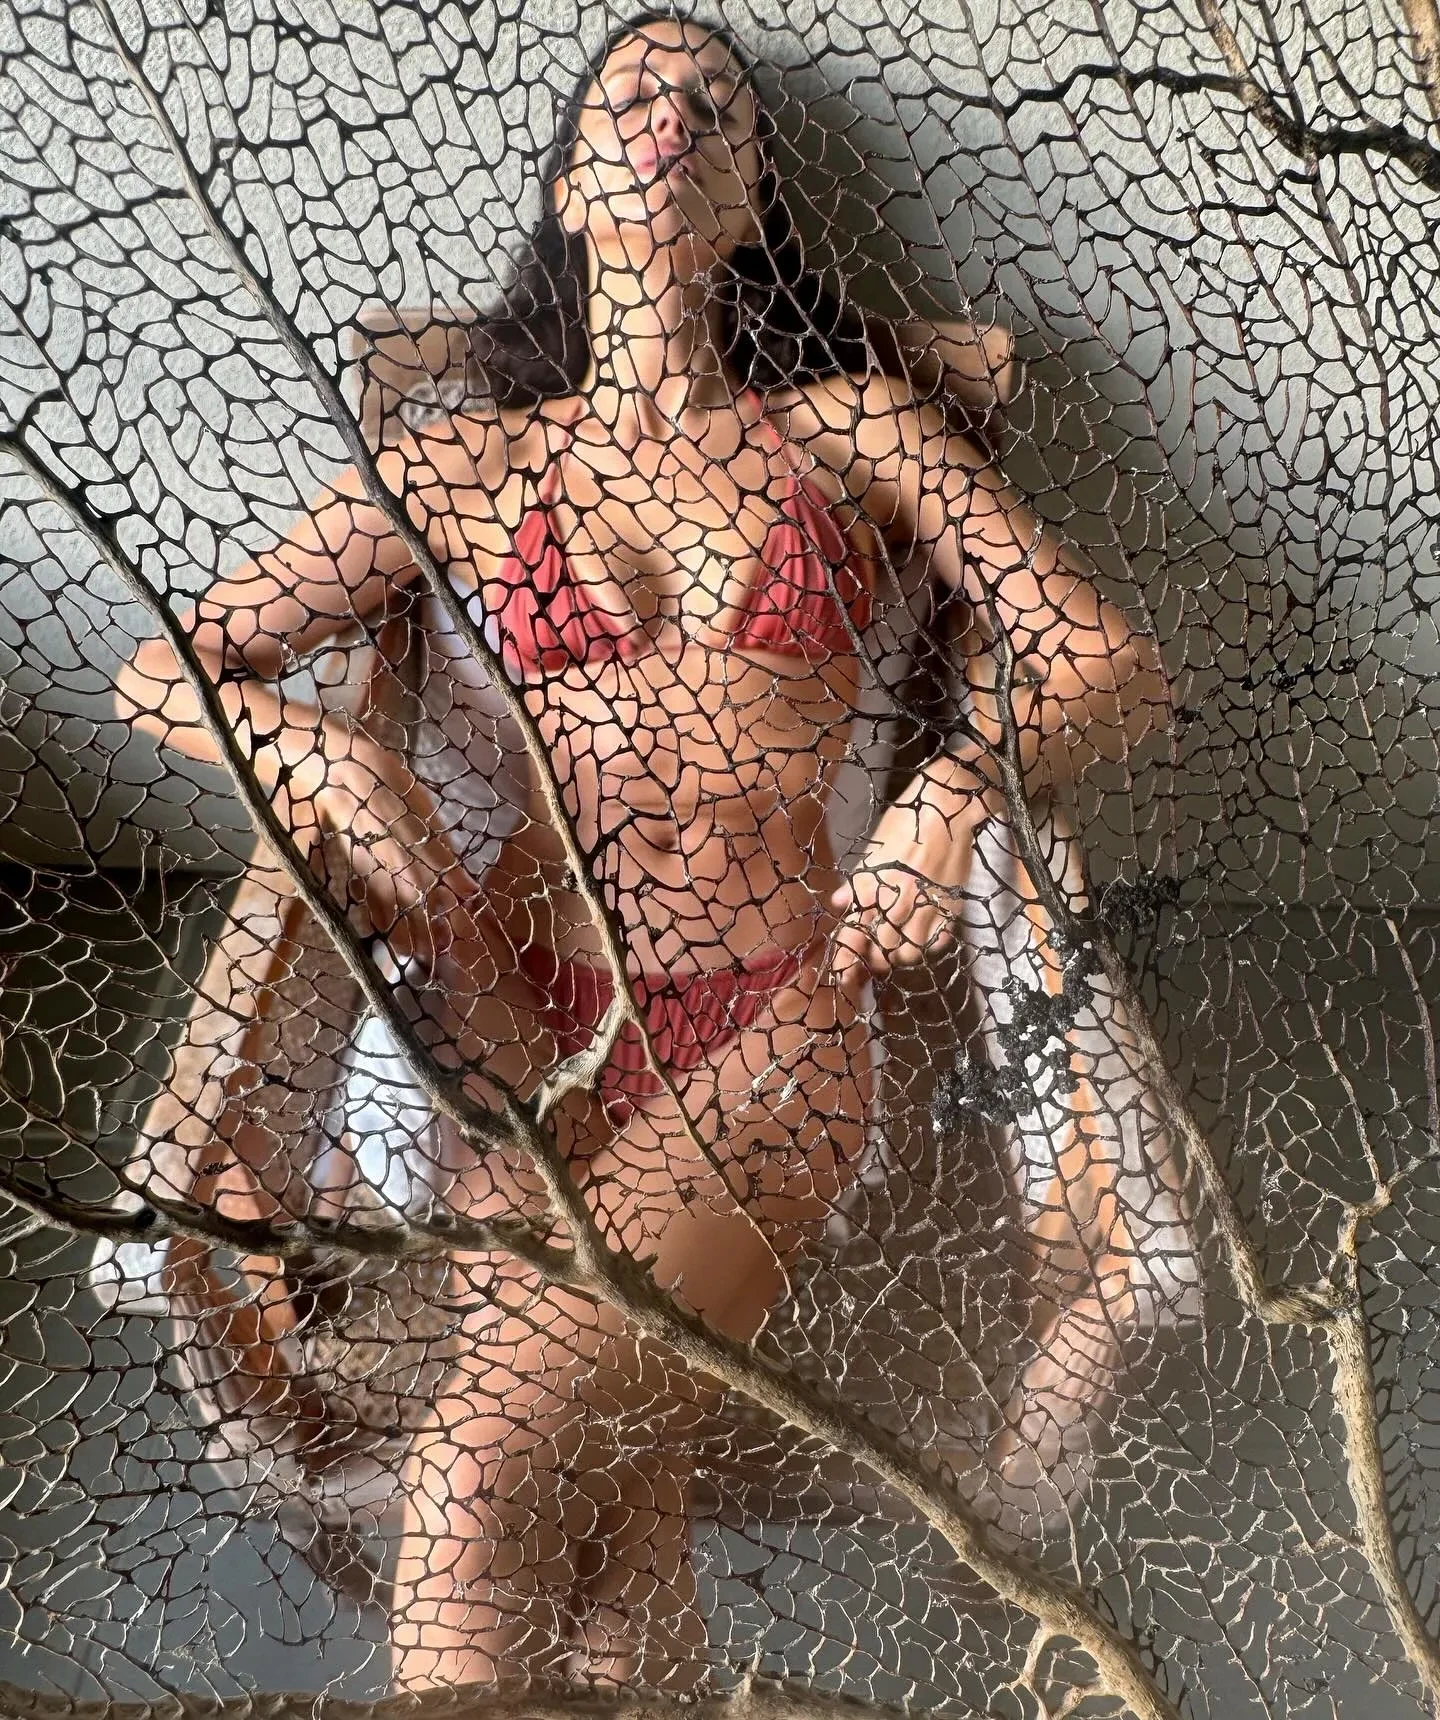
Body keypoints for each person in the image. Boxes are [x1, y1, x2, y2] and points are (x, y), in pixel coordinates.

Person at [108, 9, 1169, 1692]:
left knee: (474, 1467)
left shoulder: (863, 431)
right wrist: (318, 749)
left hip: (777, 1018)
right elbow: (165, 666)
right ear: (569, 191)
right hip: (505, 1010)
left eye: (712, 108)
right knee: (620, 1513)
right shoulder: (461, 463)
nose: (669, 121)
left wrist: (954, 795)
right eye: (629, 99)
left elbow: (1105, 665)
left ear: (749, 201)